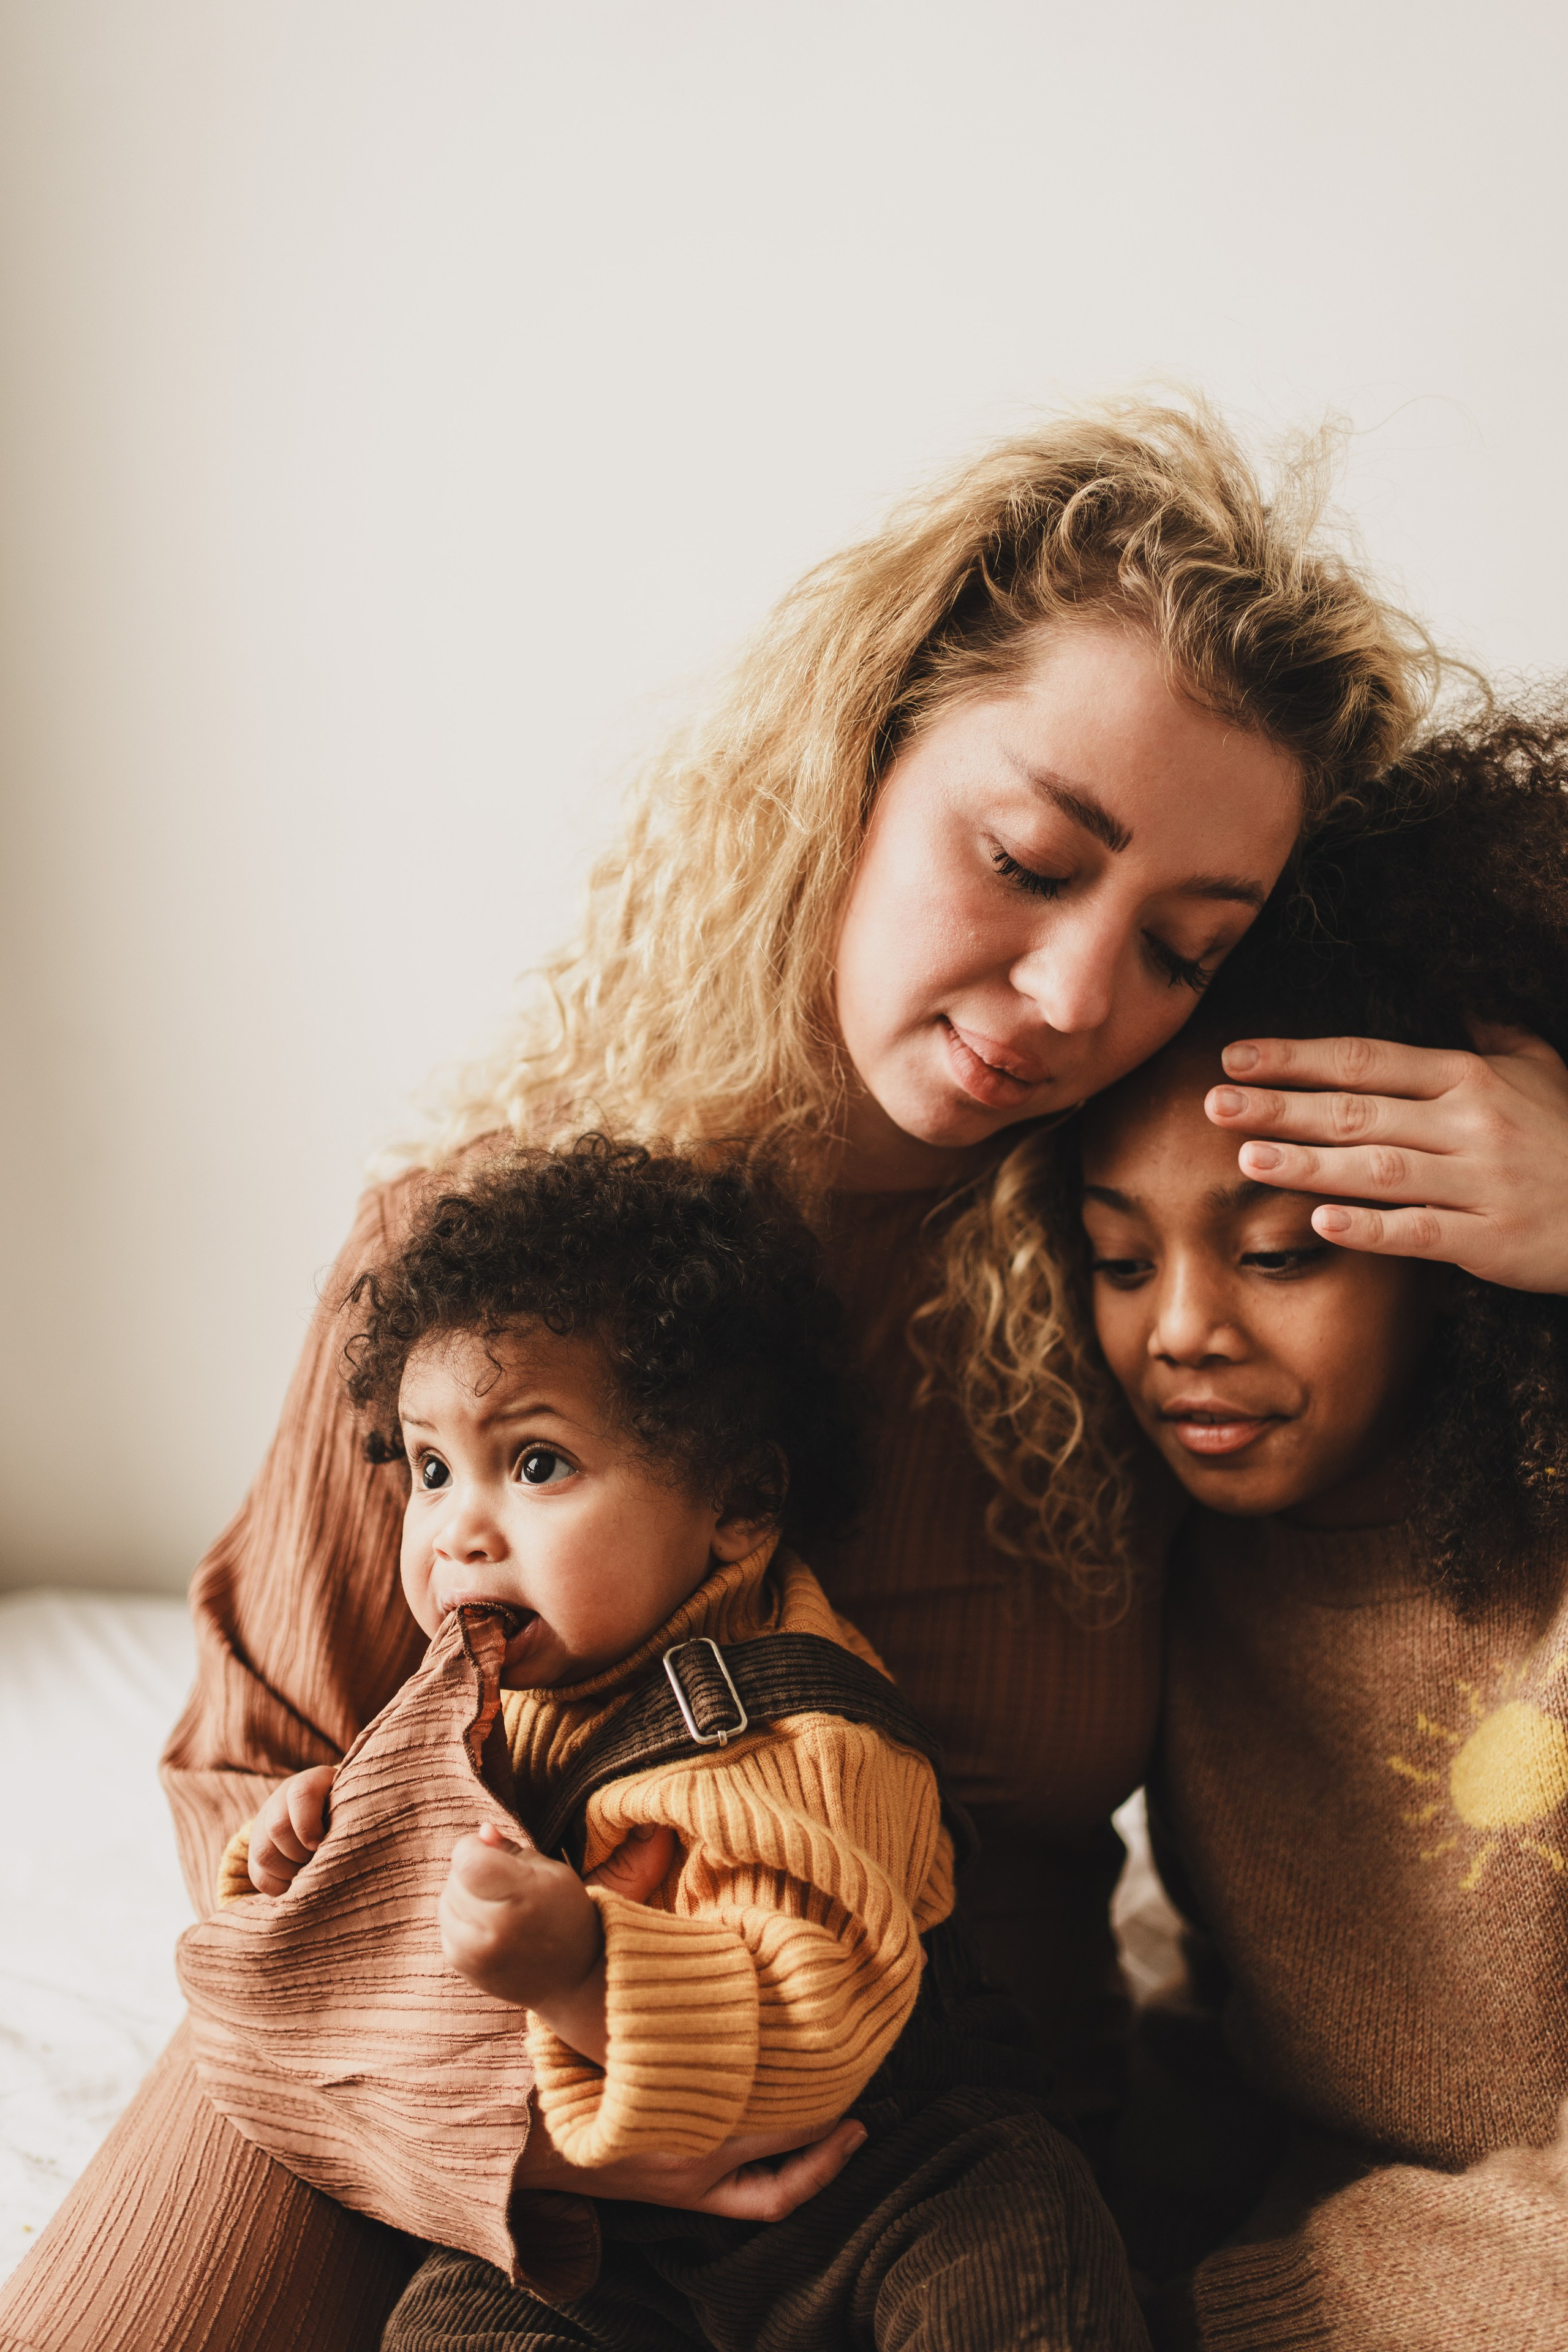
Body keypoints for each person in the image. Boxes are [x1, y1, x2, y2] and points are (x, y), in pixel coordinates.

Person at [7, 400, 1568, 2352]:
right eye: (1023, 860)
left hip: (956, 2181)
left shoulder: (1141, 1284)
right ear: (856, 765)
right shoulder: (480, 1268)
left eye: (1185, 947)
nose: (1081, 996)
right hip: (458, 2091)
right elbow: (250, 1775)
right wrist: (537, 2109)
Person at [203, 1137, 1148, 2350]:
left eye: (534, 1464)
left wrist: (586, 1969)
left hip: (881, 2183)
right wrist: (294, 1867)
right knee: (450, 2322)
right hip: (607, 2239)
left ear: (738, 1506)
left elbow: (818, 2034)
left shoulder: (803, 1721)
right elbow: (342, 1984)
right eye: (431, 1471)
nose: (455, 1534)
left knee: (1025, 2244)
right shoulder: (455, 1714)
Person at [1066, 704, 1568, 2346]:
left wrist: (1247, 2311)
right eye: (1121, 1259)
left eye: (1281, 1252)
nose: (1183, 1331)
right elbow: (1241, 2049)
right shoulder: (1176, 1558)